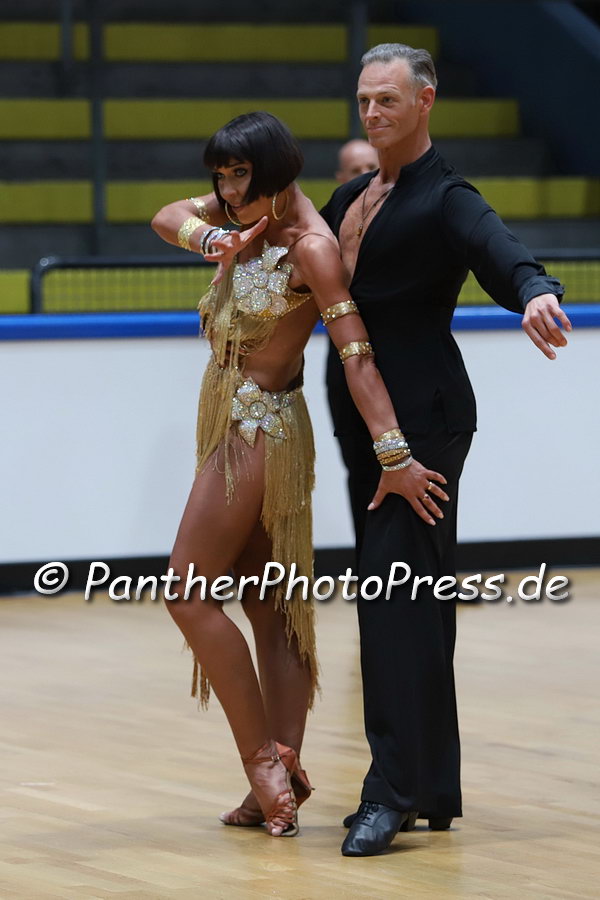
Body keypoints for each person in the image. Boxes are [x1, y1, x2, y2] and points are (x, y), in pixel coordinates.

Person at [150, 111, 443, 840]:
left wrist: (395, 455)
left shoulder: (312, 248)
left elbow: (356, 354)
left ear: (278, 173)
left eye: (240, 175)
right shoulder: (234, 215)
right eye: (220, 175)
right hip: (232, 422)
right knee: (269, 603)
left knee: (186, 592)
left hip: (258, 429)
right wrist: (211, 238)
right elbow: (165, 215)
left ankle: (262, 765)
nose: (226, 189)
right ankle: (283, 772)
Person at [320, 44, 570, 857]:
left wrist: (534, 291)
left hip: (422, 424)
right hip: (361, 418)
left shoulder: (445, 194)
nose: (372, 112)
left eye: (388, 99)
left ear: (425, 100)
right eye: (364, 99)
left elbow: (497, 248)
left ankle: (389, 792)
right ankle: (430, 785)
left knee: (392, 599)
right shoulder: (351, 194)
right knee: (414, 597)